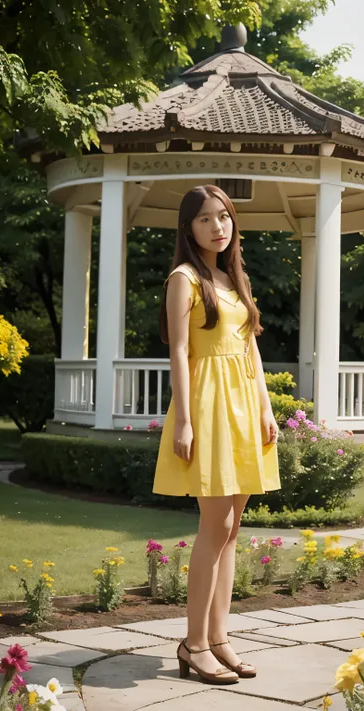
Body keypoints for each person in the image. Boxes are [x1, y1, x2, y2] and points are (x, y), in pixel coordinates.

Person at [153, 184, 281, 685]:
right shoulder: (183, 278)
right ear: (189, 227)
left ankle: (220, 638)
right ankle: (194, 644)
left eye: (223, 216)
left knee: (231, 529)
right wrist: (183, 419)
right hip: (208, 404)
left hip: (245, 405)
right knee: (214, 525)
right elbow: (179, 353)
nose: (218, 227)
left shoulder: (232, 277)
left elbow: (251, 350)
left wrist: (267, 410)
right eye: (206, 219)